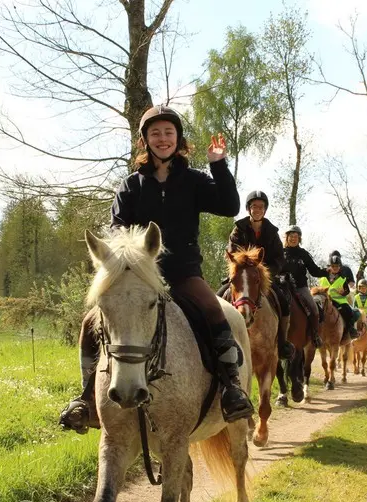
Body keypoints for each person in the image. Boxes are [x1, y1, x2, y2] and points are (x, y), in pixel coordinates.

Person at [59, 105, 254, 434]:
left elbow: (229, 206)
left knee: (214, 311)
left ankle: (231, 388)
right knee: (92, 320)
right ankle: (86, 398)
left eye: (168, 132)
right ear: (144, 142)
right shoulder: (130, 187)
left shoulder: (194, 181)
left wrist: (218, 165)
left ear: (178, 139)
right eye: (155, 133)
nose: (162, 138)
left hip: (183, 274)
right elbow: (117, 231)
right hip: (137, 279)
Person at [220, 190, 293, 359]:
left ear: (265, 210)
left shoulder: (272, 232)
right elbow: (232, 253)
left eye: (261, 207)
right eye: (254, 206)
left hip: (264, 278)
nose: (257, 209)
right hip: (241, 275)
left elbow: (280, 258)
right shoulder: (238, 230)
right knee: (218, 296)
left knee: (283, 301)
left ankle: (282, 343)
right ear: (249, 209)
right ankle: (217, 340)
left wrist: (267, 273)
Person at [281, 225, 326, 348]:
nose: (293, 239)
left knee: (314, 309)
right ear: (287, 237)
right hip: (282, 286)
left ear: (299, 239)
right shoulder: (279, 252)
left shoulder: (303, 254)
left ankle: (315, 335)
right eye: (291, 236)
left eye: (296, 236)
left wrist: (327, 272)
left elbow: (314, 271)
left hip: (300, 287)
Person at [318, 253, 359, 340]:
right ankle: (314, 333)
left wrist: (343, 292)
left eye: (337, 266)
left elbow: (347, 291)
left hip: (339, 302)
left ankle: (350, 331)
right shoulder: (322, 278)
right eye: (333, 266)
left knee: (349, 312)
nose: (335, 268)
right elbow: (319, 289)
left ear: (340, 267)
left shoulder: (342, 279)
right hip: (325, 301)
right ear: (329, 267)